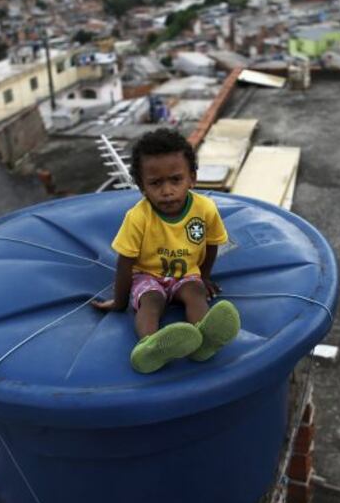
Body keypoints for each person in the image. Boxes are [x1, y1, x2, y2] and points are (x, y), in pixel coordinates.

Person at [92, 128, 240, 373]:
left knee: (196, 293)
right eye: (155, 183)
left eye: (175, 180)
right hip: (147, 276)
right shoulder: (137, 218)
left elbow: (211, 244)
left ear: (192, 178)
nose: (167, 190)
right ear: (142, 186)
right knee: (151, 302)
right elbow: (125, 263)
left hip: (186, 275)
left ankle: (204, 341)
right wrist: (119, 302)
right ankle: (150, 346)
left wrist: (204, 277)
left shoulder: (205, 209)